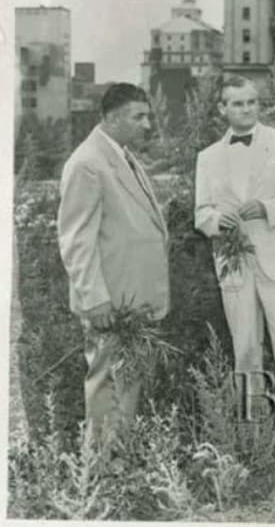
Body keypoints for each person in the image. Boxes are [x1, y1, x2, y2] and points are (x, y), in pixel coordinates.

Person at [194, 76, 275, 441]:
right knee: (245, 346)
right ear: (222, 109)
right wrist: (217, 221)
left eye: (250, 102)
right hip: (235, 265)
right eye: (236, 104)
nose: (245, 109)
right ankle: (255, 432)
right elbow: (201, 213)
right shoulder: (208, 157)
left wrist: (267, 207)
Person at [57, 83, 170, 445]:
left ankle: (119, 467)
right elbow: (77, 240)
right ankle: (104, 474)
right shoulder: (87, 163)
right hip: (110, 304)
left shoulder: (120, 155)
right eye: (138, 117)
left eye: (146, 116)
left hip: (130, 300)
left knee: (126, 386)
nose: (147, 125)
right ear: (112, 117)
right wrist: (94, 298)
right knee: (107, 388)